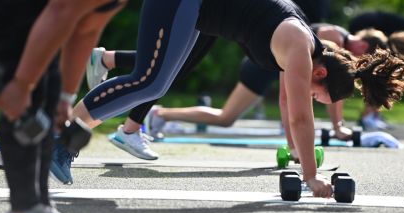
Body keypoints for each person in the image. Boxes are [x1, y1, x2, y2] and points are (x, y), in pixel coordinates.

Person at [53, 0, 404, 198]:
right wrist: (312, 177)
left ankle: (65, 136)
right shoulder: (301, 48)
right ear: (320, 75)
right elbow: (303, 118)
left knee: (157, 82)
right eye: (321, 96)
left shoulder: (301, 46)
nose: (315, 100)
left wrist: (301, 161)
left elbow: (293, 113)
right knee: (148, 80)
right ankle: (62, 139)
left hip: (198, 14)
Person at [85, 23, 369, 162]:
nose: (312, 101)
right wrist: (299, 154)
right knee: (168, 70)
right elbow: (288, 104)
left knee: (172, 67)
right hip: (241, 42)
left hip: (237, 30)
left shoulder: (311, 45)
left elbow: (291, 103)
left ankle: (110, 63)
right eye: (316, 97)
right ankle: (126, 126)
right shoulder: (309, 46)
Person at [0, 0, 124, 213]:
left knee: (48, 101)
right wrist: (21, 85)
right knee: (27, 103)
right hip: (13, 12)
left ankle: (39, 208)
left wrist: (65, 98)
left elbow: (86, 29)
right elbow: (62, 10)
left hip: (44, 18)